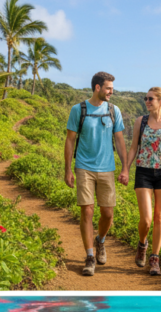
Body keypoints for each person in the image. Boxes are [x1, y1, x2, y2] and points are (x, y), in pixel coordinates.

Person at [64, 71, 130, 277]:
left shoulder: (113, 110)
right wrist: (68, 169)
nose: (112, 91)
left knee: (108, 214)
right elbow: (70, 140)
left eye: (112, 88)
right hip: (84, 167)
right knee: (87, 211)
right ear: (97, 88)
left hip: (107, 169)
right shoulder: (79, 110)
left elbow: (119, 140)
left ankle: (100, 240)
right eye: (109, 88)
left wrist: (125, 167)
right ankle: (90, 256)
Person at [127, 87, 161, 276]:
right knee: (147, 219)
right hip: (143, 171)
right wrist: (126, 168)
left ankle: (154, 259)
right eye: (146, 98)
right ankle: (142, 243)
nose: (147, 101)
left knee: (159, 217)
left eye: (151, 99)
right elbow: (133, 147)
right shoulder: (140, 122)